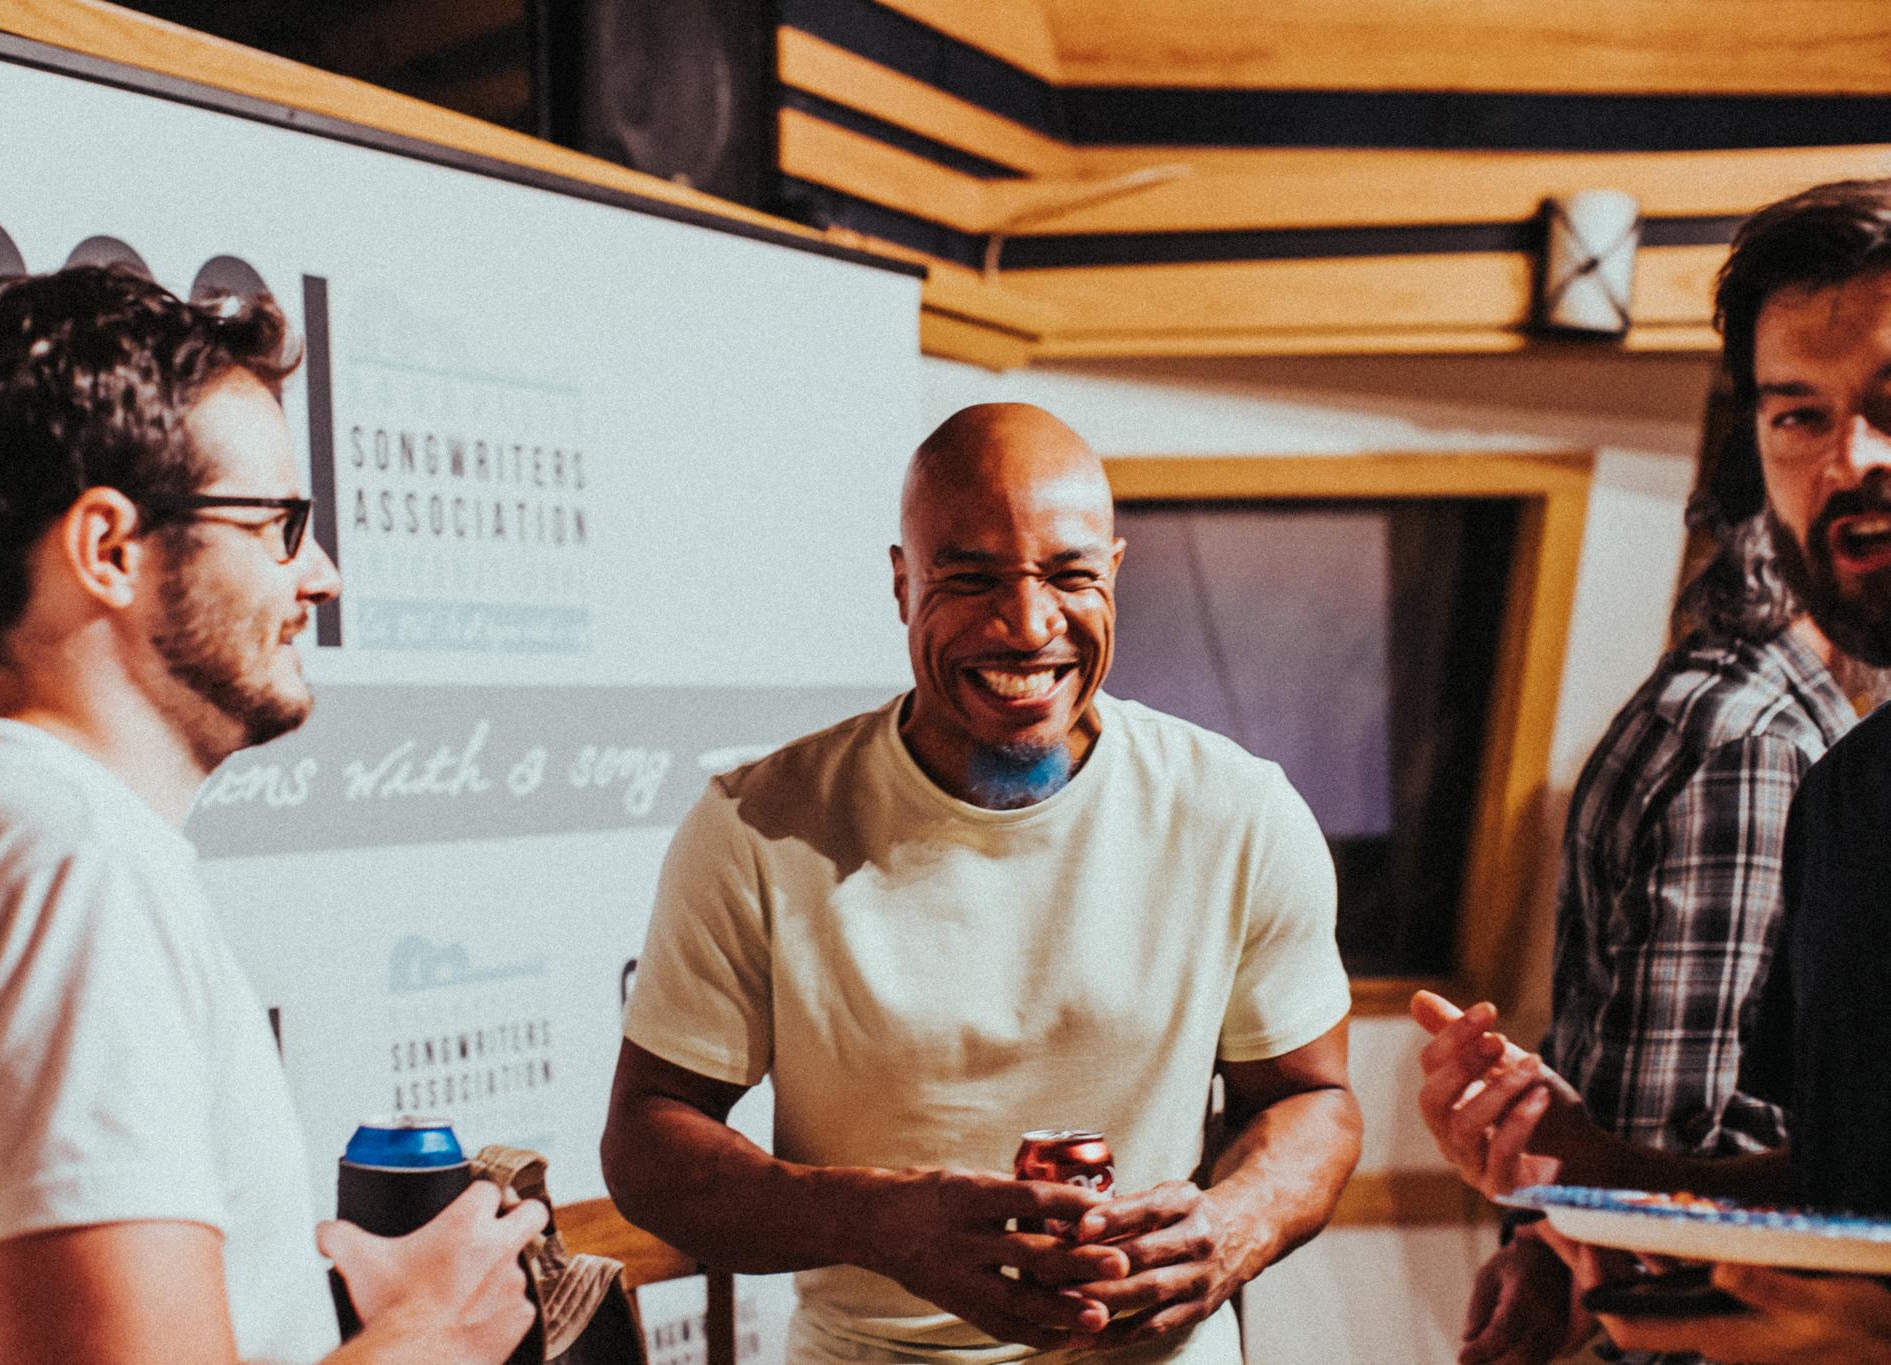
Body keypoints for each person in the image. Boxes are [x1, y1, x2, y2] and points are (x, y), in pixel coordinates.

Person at [0, 265, 545, 1364]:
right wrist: (432, 1335)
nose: (320, 575)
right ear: (108, 550)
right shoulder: (67, 865)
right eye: (278, 523)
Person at [601, 402, 1361, 1364]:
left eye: (1070, 576)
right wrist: (876, 1221)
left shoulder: (1236, 811)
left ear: (1114, 573)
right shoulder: (759, 825)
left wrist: (1236, 1224)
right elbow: (648, 1138)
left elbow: (1312, 1098)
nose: (1029, 625)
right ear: (902, 583)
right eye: (970, 579)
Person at [1413, 179, 1891, 1365]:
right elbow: (1841, 1188)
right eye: (1797, 416)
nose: (1848, 460)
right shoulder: (1847, 797)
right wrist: (1591, 1168)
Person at [1457, 428, 1871, 1365]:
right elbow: (1679, 1115)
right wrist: (1577, 1263)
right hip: (1704, 1321)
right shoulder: (1758, 748)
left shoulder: (1693, 697)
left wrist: (1542, 1242)